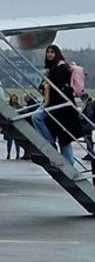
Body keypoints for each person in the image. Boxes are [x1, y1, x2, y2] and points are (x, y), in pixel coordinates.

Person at [30, 44, 85, 175]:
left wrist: (45, 85)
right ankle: (69, 168)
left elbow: (54, 86)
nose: (49, 54)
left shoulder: (60, 68)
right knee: (64, 140)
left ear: (57, 54)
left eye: (52, 52)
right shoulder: (55, 68)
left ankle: (69, 167)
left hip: (62, 110)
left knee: (38, 119)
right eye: (48, 52)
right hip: (58, 109)